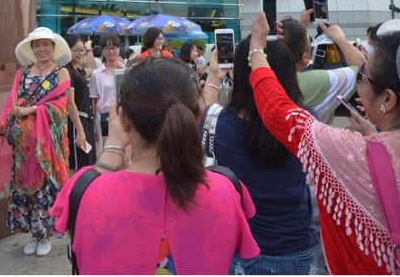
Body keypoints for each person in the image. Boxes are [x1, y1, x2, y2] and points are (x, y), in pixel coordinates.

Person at [249, 11, 400, 274]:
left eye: (362, 75)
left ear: (387, 99)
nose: (359, 80)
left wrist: (256, 48)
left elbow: (278, 111)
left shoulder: (353, 153)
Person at [51, 58, 259, 273]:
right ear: (195, 117)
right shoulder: (228, 189)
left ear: (124, 120)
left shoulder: (84, 191)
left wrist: (113, 144)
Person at [202, 40, 318, 274]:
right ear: (288, 74)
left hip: (240, 250)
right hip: (297, 247)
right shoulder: (305, 120)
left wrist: (215, 75)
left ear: (242, 75)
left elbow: (207, 113)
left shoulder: (218, 125)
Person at [0, 27, 71, 257]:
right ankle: (33, 234)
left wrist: (32, 109)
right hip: (23, 147)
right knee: (24, 188)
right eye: (37, 45)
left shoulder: (60, 72)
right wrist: (2, 124)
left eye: (45, 44)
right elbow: (11, 101)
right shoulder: (22, 72)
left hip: (47, 146)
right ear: (31, 49)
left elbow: (60, 105)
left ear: (53, 48)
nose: (41, 49)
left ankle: (45, 234)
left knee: (46, 187)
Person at [280, 13, 365, 122]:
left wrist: (297, 26)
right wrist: (339, 38)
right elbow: (361, 69)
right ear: (305, 57)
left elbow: (281, 46)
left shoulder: (261, 74)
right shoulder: (317, 81)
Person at [89, 33, 125, 155]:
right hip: (104, 118)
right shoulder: (97, 74)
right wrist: (93, 123)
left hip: (123, 116)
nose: (111, 51)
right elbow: (94, 100)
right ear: (102, 50)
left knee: (125, 154)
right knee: (107, 152)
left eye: (114, 47)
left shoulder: (125, 72)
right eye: (107, 48)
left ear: (119, 49)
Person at [64, 35, 96, 172]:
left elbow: (93, 68)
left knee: (87, 163)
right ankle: (72, 193)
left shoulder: (79, 71)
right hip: (76, 121)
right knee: (76, 165)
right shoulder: (67, 71)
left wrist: (89, 49)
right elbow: (69, 103)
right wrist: (80, 130)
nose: (80, 53)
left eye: (81, 50)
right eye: (76, 50)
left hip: (85, 120)